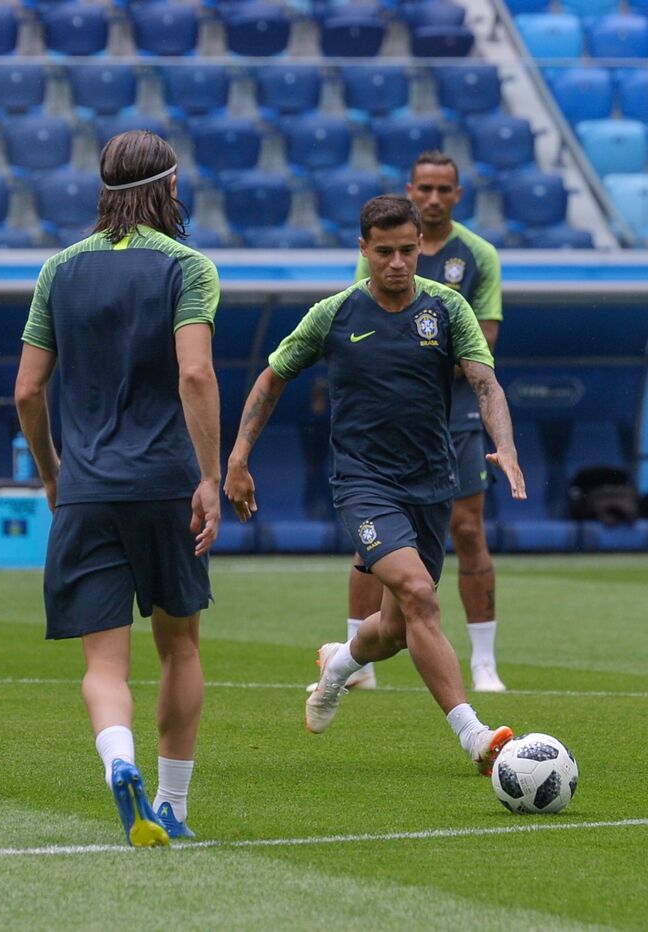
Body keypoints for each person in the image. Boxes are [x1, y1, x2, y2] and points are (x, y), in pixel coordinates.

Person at [224, 196, 526, 776]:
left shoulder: (448, 308)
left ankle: (338, 665)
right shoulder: (334, 315)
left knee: (392, 629)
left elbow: (485, 384)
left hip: (431, 484)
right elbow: (271, 379)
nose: (396, 262)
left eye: (407, 251)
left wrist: (505, 446)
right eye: (383, 252)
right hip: (363, 485)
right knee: (419, 593)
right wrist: (237, 457)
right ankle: (476, 736)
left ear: (419, 248)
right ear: (362, 250)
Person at [13, 130, 220, 846]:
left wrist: (51, 473)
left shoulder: (59, 270)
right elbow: (195, 374)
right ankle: (173, 805)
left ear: (104, 190)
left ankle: (118, 761)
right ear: (169, 188)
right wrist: (212, 477)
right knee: (180, 647)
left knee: (104, 663)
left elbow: (27, 392)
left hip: (89, 489)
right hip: (166, 484)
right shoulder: (187, 267)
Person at [340, 151, 506, 693]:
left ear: (458, 195)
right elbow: (359, 320)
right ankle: (355, 659)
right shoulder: (383, 247)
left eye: (445, 189)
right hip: (386, 420)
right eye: (426, 189)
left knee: (468, 527)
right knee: (376, 544)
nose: (434, 198)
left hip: (453, 413)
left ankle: (484, 660)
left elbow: (481, 349)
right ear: (411, 191)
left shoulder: (477, 257)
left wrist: (417, 353)